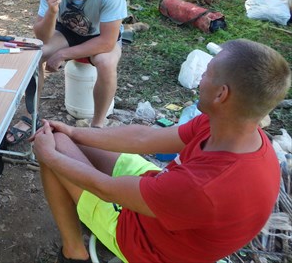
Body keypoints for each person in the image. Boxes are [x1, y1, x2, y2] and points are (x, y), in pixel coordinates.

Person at [33, 39, 290, 263]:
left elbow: (105, 189)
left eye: (208, 72)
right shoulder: (232, 126)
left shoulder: (204, 186)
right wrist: (74, 132)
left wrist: (50, 156)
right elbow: (146, 137)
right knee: (66, 139)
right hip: (169, 205)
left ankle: (74, 252)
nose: (201, 77)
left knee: (53, 145)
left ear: (221, 94)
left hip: (148, 247)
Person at [8, 0, 127, 144]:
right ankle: (31, 116)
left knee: (106, 64)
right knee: (35, 55)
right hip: (68, 30)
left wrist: (63, 54)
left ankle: (97, 127)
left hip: (99, 36)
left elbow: (107, 42)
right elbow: (41, 37)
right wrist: (52, 12)